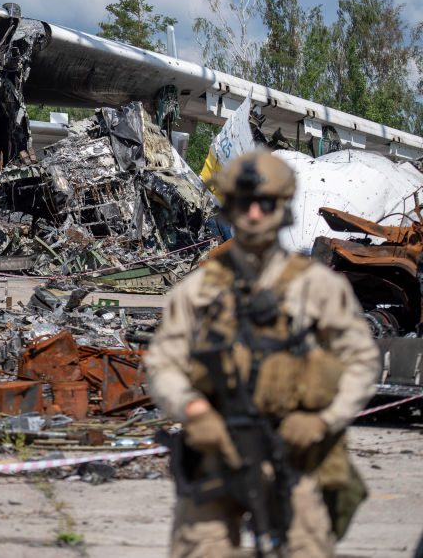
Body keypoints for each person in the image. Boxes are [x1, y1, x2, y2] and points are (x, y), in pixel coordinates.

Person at [145, 150, 379, 558]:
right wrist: (193, 410)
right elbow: (163, 362)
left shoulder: (319, 288)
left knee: (309, 545)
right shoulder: (198, 290)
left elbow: (361, 362)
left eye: (265, 203)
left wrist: (323, 420)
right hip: (217, 448)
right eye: (243, 203)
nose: (254, 214)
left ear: (282, 207)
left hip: (293, 449)